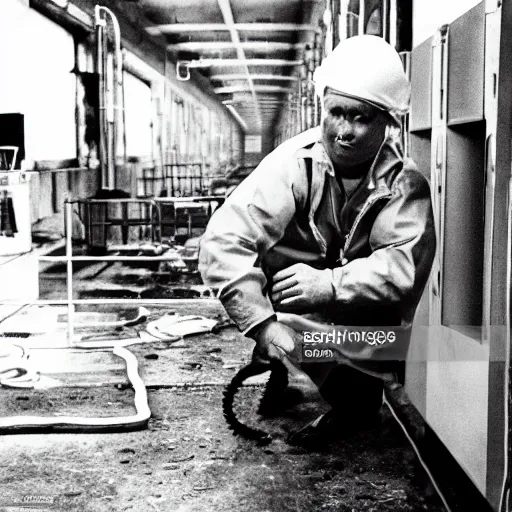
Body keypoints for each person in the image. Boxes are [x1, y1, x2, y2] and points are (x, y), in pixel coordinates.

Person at [199, 35, 436, 448]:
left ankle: (354, 396)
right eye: (336, 113)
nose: (344, 131)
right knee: (283, 327)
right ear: (321, 108)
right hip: (288, 302)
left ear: (387, 122)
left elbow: (402, 268)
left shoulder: (404, 184)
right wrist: (261, 324)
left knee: (362, 387)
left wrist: (330, 285)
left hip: (359, 315)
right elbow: (224, 240)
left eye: (360, 117)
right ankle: (280, 355)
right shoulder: (291, 165)